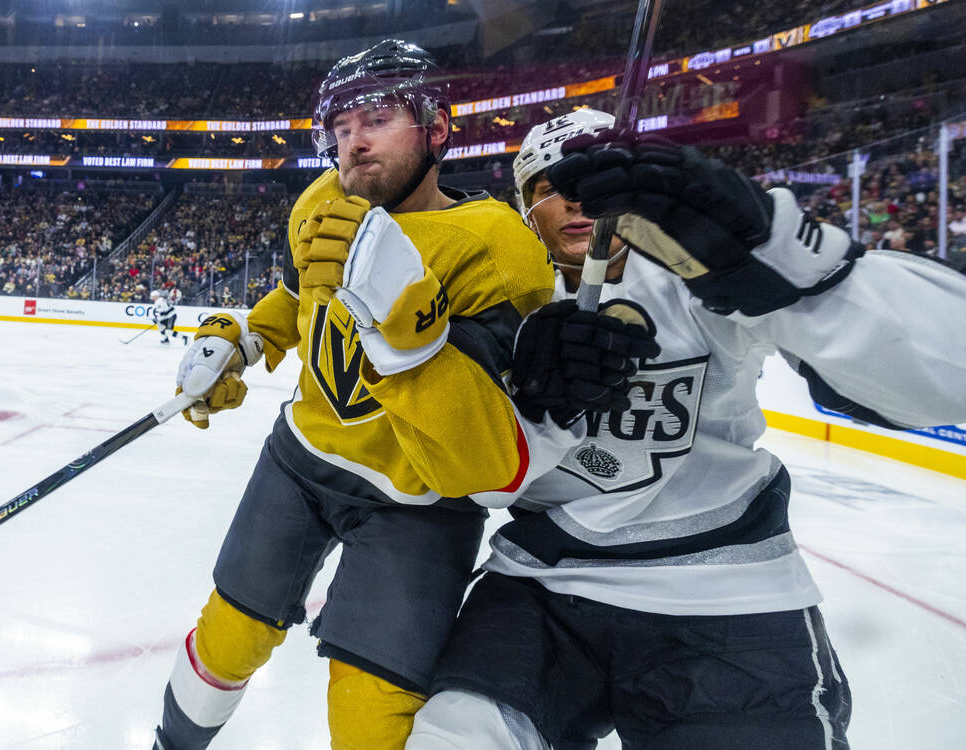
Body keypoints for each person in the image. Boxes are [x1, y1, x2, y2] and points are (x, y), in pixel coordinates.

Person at [407, 111, 966, 749]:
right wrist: (535, 406)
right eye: (547, 188)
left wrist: (774, 258)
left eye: (590, 185)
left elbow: (951, 373)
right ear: (523, 208)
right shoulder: (491, 302)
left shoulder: (702, 274)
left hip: (727, 592)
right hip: (542, 585)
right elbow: (474, 482)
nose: (574, 202)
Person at [152, 39, 554, 750]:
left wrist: (412, 334)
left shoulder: (497, 245)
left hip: (418, 502)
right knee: (229, 637)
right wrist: (243, 341)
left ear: (436, 129)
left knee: (371, 710)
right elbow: (297, 296)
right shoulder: (321, 202)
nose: (353, 144)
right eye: (340, 130)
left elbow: (486, 460)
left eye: (375, 120)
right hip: (301, 460)